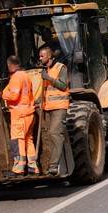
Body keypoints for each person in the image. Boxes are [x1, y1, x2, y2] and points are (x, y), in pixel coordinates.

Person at [0, 55, 42, 175]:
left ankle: (19, 168)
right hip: (29, 112)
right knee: (28, 139)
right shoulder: (26, 76)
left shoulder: (16, 77)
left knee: (18, 139)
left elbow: (13, 95)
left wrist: (2, 95)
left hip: (19, 114)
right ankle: (33, 166)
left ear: (10, 65)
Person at [36, 44, 70, 175]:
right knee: (48, 135)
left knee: (54, 134)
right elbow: (46, 92)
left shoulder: (60, 67)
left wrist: (48, 78)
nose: (39, 58)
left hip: (59, 106)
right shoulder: (46, 70)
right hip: (48, 107)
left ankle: (54, 165)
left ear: (49, 56)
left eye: (41, 56)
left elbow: (62, 85)